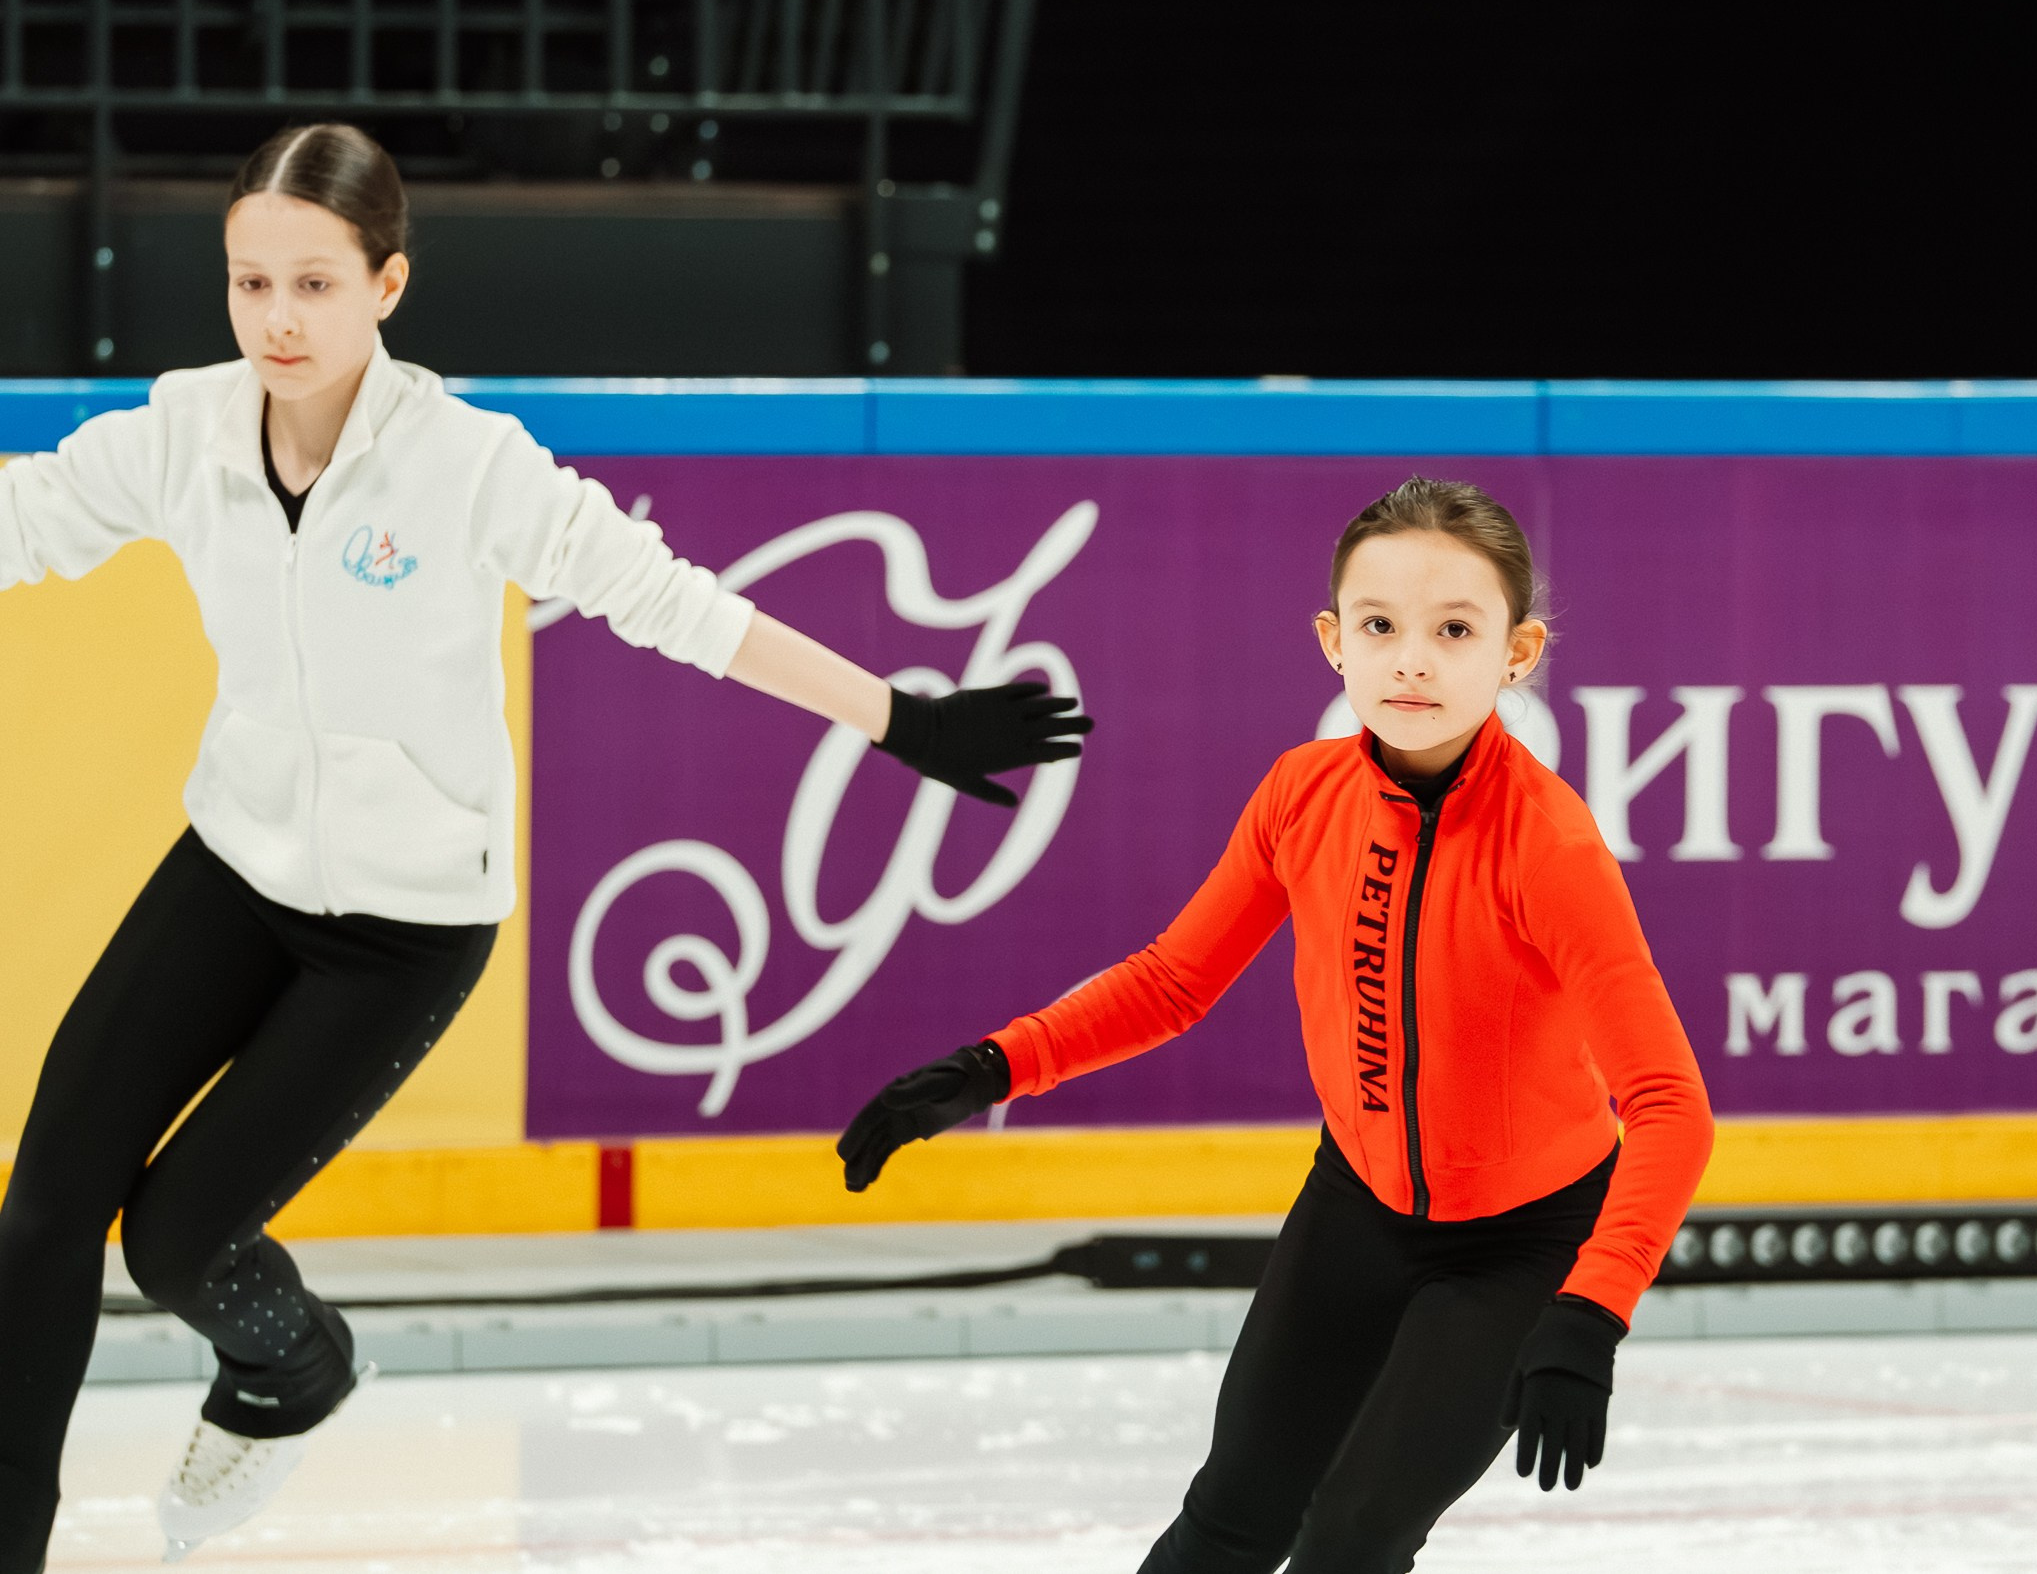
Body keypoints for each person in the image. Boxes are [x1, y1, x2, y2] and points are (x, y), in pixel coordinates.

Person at [0, 123, 1089, 1571]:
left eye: (316, 282)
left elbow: (673, 602)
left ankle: (292, 1367)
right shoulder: (185, 428)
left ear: (387, 284)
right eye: (251, 280)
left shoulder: (467, 464)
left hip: (403, 930)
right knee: (45, 1206)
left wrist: (900, 717)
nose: (277, 318)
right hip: (233, 864)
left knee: (177, 1240)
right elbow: (22, 518)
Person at [840, 476, 1715, 1573]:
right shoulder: (1301, 793)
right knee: (1229, 1520)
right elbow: (1174, 980)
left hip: (1522, 1243)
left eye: (1454, 630)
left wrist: (1590, 1310)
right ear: (1333, 641)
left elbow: (1669, 1106)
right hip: (1355, 1208)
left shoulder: (1550, 846)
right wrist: (993, 1065)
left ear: (1517, 652)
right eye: (1380, 625)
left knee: (1351, 1538)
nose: (1412, 660)